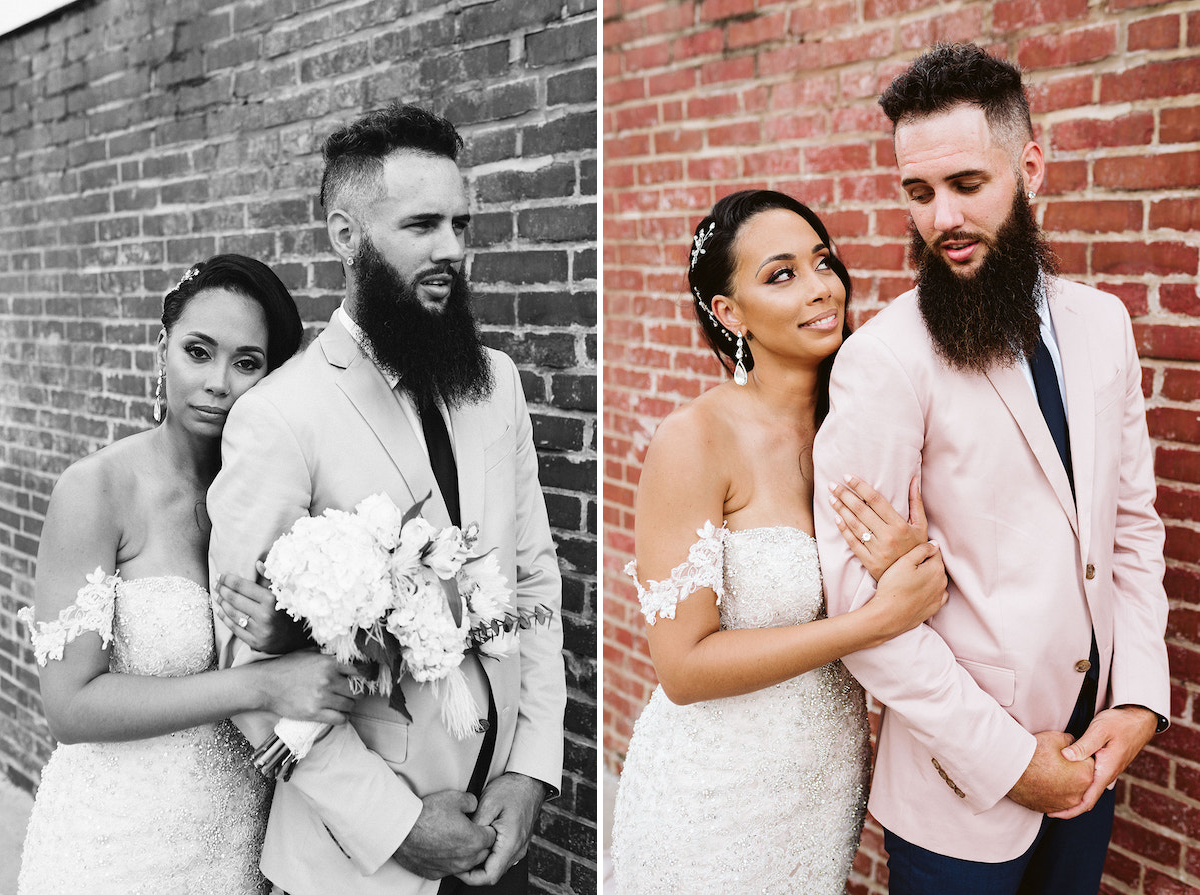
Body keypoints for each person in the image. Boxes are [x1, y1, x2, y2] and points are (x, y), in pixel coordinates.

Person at [812, 43, 1171, 895]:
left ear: (1030, 166)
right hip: (959, 791)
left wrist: (1139, 701)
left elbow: (1130, 525)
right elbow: (860, 605)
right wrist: (1012, 763)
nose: (941, 219)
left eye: (967, 185)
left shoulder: (1105, 324)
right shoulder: (883, 361)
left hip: (1091, 759)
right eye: (918, 193)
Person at [207, 103, 566, 895]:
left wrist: (530, 773)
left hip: (497, 830)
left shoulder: (497, 383)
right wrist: (398, 827)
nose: (453, 250)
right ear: (347, 236)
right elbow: (252, 672)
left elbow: (534, 578)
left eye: (462, 225)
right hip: (357, 865)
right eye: (423, 225)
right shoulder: (278, 416)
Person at [609, 189, 949, 893]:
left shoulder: (863, 429)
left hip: (822, 794)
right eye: (781, 274)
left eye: (822, 262)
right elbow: (684, 665)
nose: (822, 287)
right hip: (711, 806)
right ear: (728, 314)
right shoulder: (695, 440)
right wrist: (873, 621)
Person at [16, 255, 356, 895]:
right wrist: (261, 686)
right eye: (198, 352)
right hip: (113, 849)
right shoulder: (98, 490)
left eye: (247, 363)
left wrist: (286, 639)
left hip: (238, 846)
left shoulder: (292, 505)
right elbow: (68, 706)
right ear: (162, 347)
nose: (218, 383)